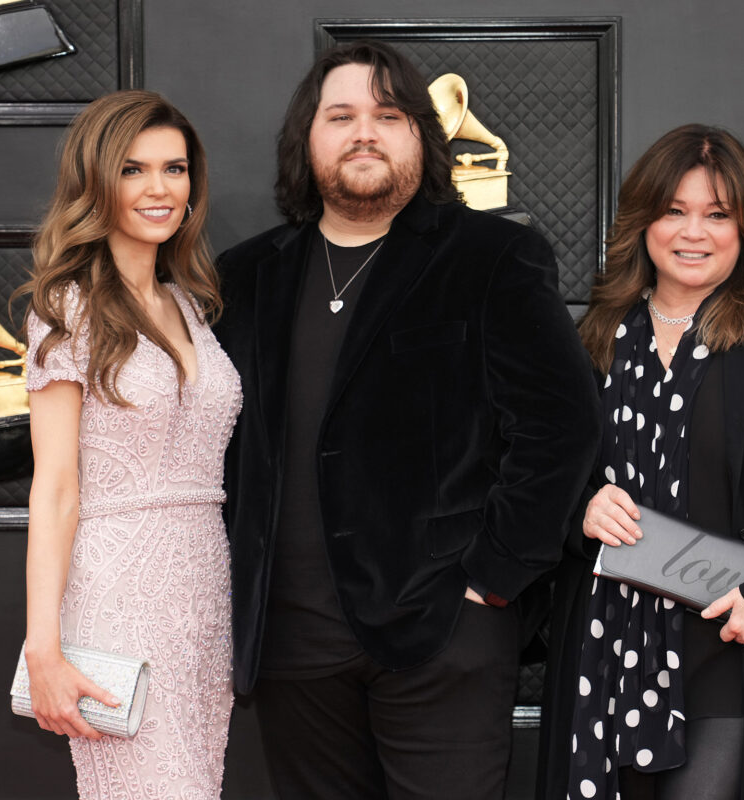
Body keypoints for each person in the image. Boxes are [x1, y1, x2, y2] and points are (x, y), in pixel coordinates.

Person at [214, 40, 599, 799]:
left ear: (421, 136)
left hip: (441, 634)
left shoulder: (492, 255)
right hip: (289, 645)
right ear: (307, 138)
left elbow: (563, 421)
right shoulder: (244, 275)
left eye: (388, 115)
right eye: (342, 115)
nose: (366, 131)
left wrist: (495, 576)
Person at [537, 124, 744, 800]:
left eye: (717, 214)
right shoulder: (600, 335)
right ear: (642, 222)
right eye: (675, 211)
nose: (695, 232)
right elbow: (548, 474)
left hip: (738, 641)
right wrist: (580, 512)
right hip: (612, 647)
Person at [18, 90, 241, 799]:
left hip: (204, 594)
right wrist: (43, 647)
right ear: (96, 182)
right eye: (133, 170)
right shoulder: (65, 309)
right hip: (117, 595)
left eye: (174, 169)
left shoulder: (189, 304)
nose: (158, 189)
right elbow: (54, 488)